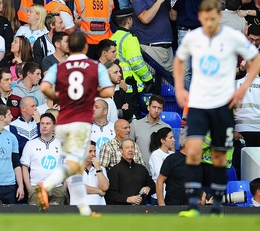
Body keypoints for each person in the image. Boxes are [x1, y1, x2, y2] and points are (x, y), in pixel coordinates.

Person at [174, 0, 260, 217]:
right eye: (205, 19)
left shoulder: (232, 37)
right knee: (193, 152)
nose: (209, 23)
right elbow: (178, 61)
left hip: (222, 105)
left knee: (219, 157)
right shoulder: (193, 37)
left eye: (212, 19)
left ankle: (216, 208)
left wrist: (243, 87)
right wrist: (178, 88)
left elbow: (258, 60)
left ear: (220, 17)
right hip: (198, 104)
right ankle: (194, 206)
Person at [36, 31, 113, 216]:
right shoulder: (95, 66)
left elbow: (44, 86)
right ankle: (44, 186)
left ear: (68, 48)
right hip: (80, 122)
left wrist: (59, 98)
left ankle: (84, 210)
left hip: (63, 121)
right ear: (86, 47)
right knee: (74, 164)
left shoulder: (59, 66)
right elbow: (109, 91)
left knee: (76, 167)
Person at [105, 139, 155, 205]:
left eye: (132, 147)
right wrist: (127, 199)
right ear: (121, 151)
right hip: (123, 211)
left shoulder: (141, 169)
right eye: (127, 148)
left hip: (141, 210)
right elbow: (110, 194)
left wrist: (148, 188)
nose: (130, 150)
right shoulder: (115, 170)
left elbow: (153, 186)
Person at [129, 94, 167, 164]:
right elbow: (128, 146)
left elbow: (170, 150)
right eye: (154, 107)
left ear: (162, 110)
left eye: (159, 108)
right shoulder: (135, 125)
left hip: (159, 169)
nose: (156, 110)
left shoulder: (166, 128)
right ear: (148, 108)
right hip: (139, 169)